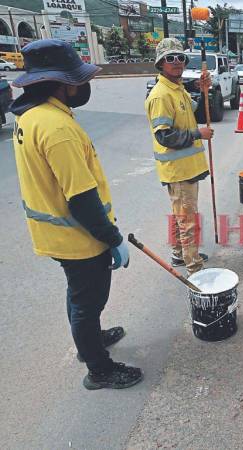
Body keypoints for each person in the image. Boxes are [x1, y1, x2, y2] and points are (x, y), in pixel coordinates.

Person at [10, 39, 142, 390]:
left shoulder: (32, 117)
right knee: (88, 301)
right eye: (78, 80)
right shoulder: (58, 129)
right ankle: (99, 368)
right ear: (63, 84)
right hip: (78, 236)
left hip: (57, 234)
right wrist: (112, 239)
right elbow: (81, 198)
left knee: (79, 295)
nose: (83, 87)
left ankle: (91, 340)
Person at [144, 38, 214, 277]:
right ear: (160, 64)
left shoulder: (177, 89)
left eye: (180, 58)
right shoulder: (161, 95)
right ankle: (194, 267)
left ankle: (179, 253)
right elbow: (165, 136)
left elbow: (187, 109)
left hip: (186, 167)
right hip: (178, 170)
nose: (176, 62)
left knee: (179, 215)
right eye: (170, 58)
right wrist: (198, 133)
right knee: (188, 219)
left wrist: (201, 88)